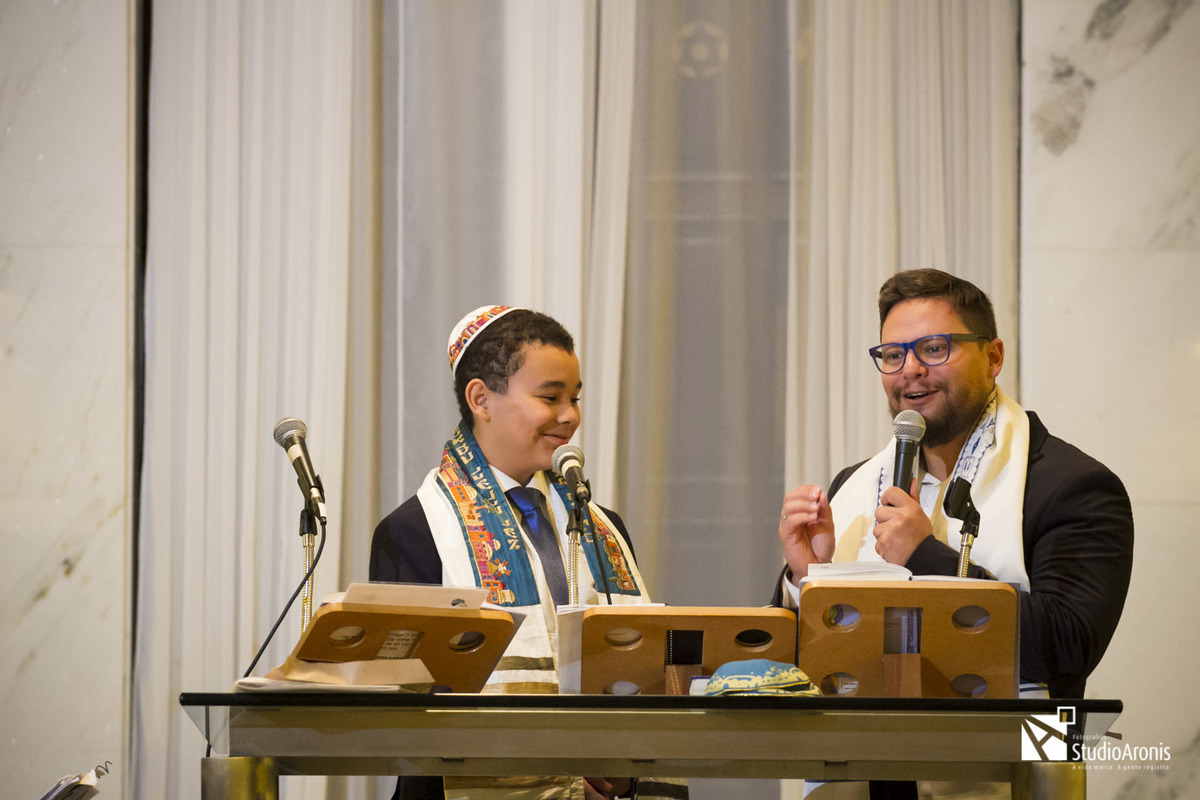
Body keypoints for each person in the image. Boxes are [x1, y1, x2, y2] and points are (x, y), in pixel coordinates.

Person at [774, 269, 1134, 800]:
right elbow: (781, 675)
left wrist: (926, 557)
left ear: (993, 357)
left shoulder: (1073, 486)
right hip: (858, 767)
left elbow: (1069, 646)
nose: (911, 371)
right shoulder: (852, 489)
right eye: (893, 355)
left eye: (935, 348)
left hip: (1016, 768)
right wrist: (810, 578)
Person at [371, 305, 683, 800]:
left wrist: (628, 766)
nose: (570, 417)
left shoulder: (601, 525)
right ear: (481, 398)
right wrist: (557, 771)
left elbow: (644, 667)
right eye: (550, 397)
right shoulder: (415, 531)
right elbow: (409, 707)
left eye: (575, 398)